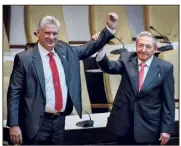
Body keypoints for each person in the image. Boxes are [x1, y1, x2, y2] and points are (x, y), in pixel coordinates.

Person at [7, 13, 118, 145]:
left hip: (59, 121)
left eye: (55, 34)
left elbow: (88, 48)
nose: (51, 37)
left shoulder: (65, 51)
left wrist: (109, 29)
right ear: (38, 32)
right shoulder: (24, 58)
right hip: (35, 122)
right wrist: (14, 124)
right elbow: (14, 92)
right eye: (47, 33)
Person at [93, 31, 175, 145]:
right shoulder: (127, 59)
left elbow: (168, 102)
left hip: (149, 126)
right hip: (124, 124)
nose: (143, 50)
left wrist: (166, 129)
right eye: (140, 45)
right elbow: (109, 67)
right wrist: (100, 48)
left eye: (148, 46)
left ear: (155, 48)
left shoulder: (165, 68)